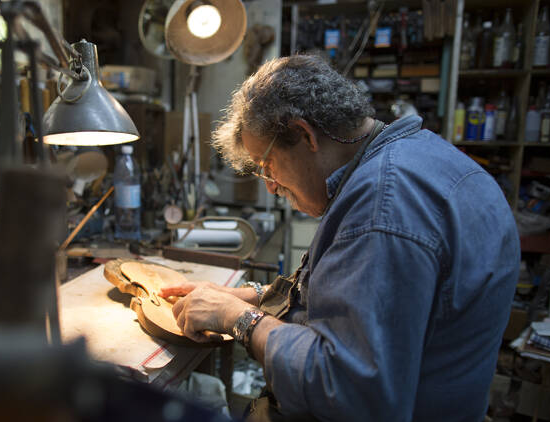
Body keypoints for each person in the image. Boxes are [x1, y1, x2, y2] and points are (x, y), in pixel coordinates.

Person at [158, 55, 520, 421]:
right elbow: (342, 297)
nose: (269, 185)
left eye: (267, 165)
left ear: (304, 135)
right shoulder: (414, 156)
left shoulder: (383, 207)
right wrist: (251, 296)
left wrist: (240, 318)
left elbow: (345, 387)